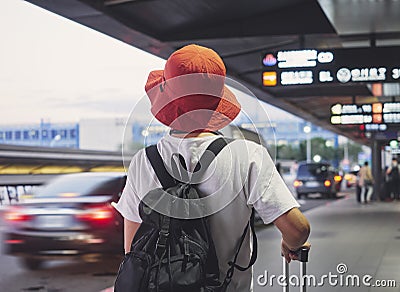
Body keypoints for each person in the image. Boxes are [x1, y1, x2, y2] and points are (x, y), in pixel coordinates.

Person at [113, 44, 311, 291]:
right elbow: (298, 229)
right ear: (216, 102)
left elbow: (133, 248)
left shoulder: (143, 161)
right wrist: (290, 244)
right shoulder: (247, 155)